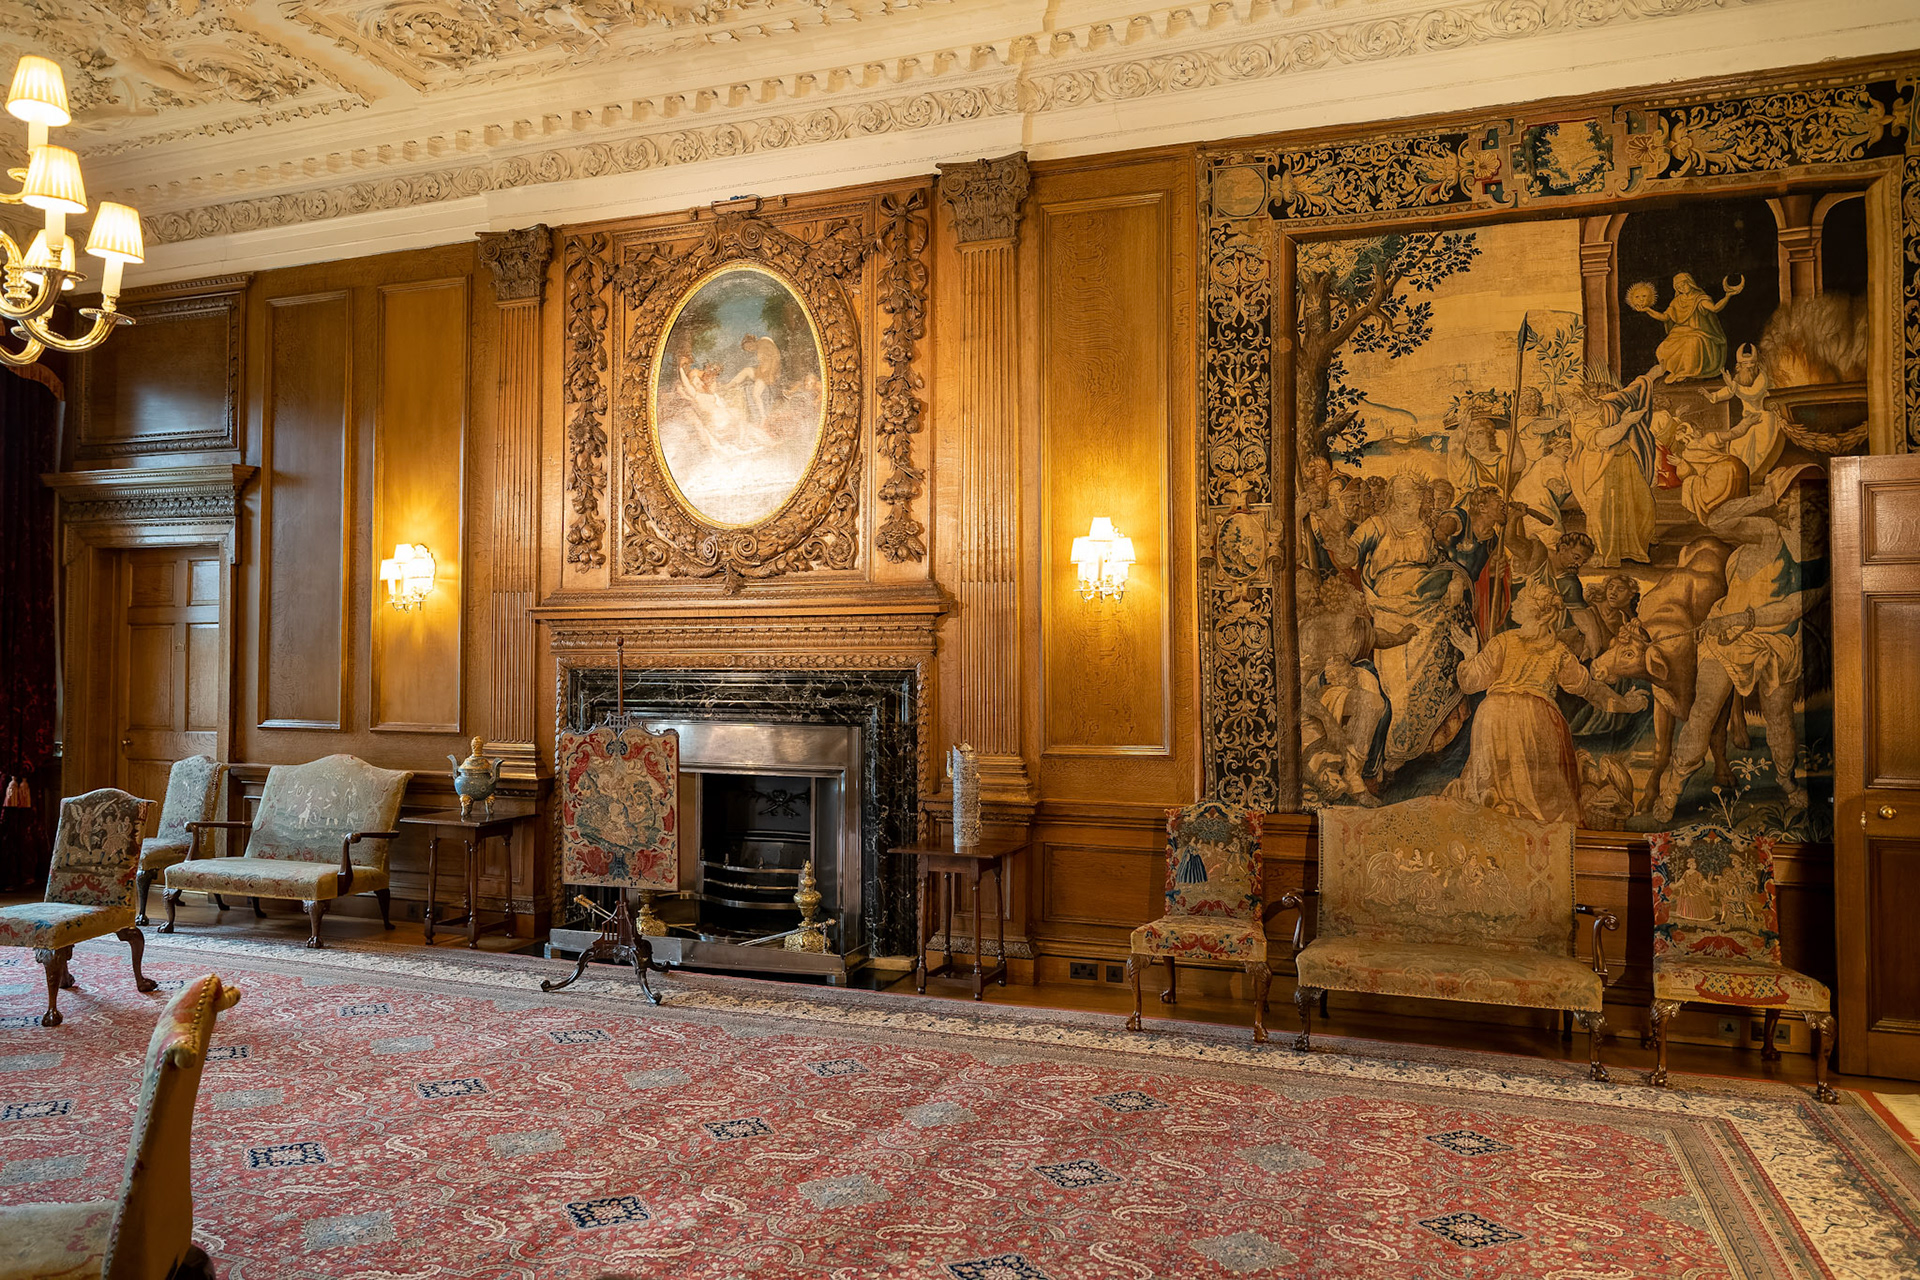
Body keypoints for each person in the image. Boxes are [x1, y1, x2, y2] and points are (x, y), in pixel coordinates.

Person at [1652, 465, 1828, 821]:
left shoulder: (1824, 562)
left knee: (1779, 717)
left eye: (1808, 507)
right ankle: (1672, 788)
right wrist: (1761, 498)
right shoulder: (1767, 533)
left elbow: (1794, 606)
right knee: (1703, 711)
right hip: (1728, 638)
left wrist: (1745, 619)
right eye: (1791, 505)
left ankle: (1785, 779)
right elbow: (1717, 521)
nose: (1800, 515)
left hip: (1779, 643)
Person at [1444, 580, 1648, 826]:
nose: (1515, 604)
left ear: (1535, 611)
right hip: (1535, 717)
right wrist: (1625, 703)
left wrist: (1469, 655)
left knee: (1494, 788)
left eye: (1521, 601)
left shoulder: (1504, 641)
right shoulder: (1558, 651)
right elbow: (1591, 690)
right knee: (1539, 801)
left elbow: (1469, 682)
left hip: (1492, 715)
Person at [1571, 367, 1659, 566]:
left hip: (1625, 460)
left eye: (1574, 402)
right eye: (1569, 406)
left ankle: (1635, 548)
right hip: (1599, 469)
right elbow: (1602, 439)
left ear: (1585, 398)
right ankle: (1606, 553)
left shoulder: (1610, 402)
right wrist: (1625, 423)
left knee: (1641, 504)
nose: (1573, 408)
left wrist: (1653, 373)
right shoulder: (1580, 425)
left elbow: (1634, 391)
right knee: (1603, 510)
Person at [1629, 273, 1746, 380]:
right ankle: (1677, 370)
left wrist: (1728, 296)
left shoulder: (1699, 298)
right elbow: (1664, 317)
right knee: (1663, 348)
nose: (1681, 288)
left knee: (1693, 343)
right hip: (1679, 332)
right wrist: (1648, 310)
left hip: (1699, 332)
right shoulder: (1677, 301)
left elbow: (1715, 308)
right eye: (1678, 286)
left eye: (1683, 284)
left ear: (1690, 283)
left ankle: (1684, 372)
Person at [1705, 343, 1785, 478]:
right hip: (1748, 420)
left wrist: (1733, 385)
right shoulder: (1740, 378)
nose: (1749, 367)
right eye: (1745, 364)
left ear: (1755, 364)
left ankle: (1754, 477)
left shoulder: (1762, 378)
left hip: (1763, 419)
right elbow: (1730, 391)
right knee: (1737, 447)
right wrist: (1713, 396)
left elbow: (1753, 394)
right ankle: (1741, 476)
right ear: (1740, 366)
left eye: (1751, 364)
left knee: (1759, 452)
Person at [728, 332, 784, 423]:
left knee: (755, 394)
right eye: (747, 350)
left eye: (748, 347)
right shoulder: (760, 346)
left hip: (767, 374)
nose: (749, 350)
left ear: (751, 341)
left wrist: (772, 374)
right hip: (761, 373)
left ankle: (763, 417)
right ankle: (728, 385)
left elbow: (776, 357)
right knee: (746, 370)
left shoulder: (764, 341)